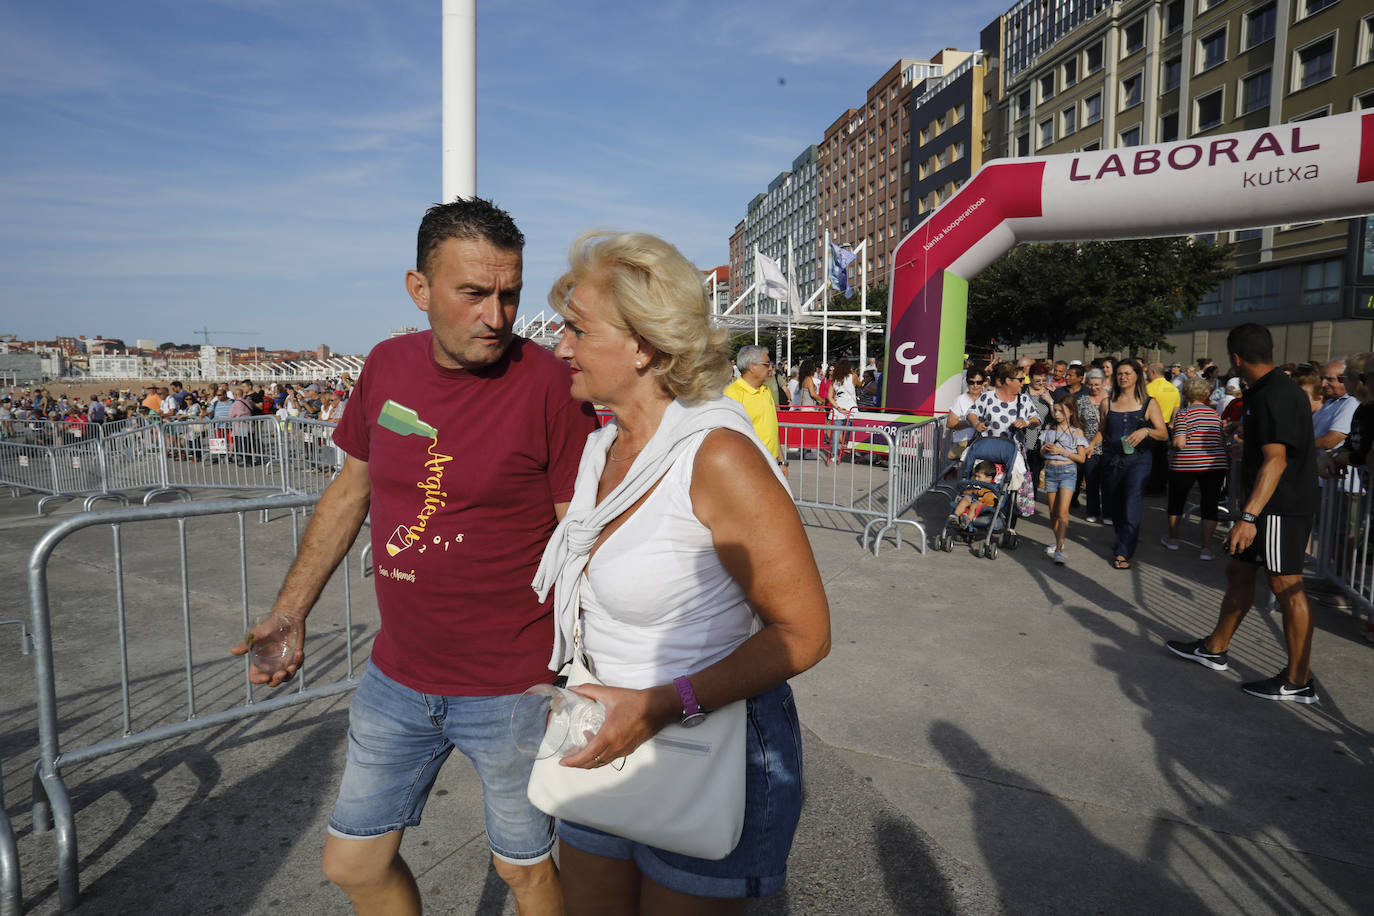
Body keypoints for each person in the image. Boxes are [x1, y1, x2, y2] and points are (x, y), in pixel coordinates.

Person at [229, 197, 597, 915]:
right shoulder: (387, 367)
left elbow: (579, 537)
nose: (497, 316)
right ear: (419, 289)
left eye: (509, 294)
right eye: (474, 293)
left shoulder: (551, 386)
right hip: (398, 680)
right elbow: (349, 493)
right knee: (352, 864)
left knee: (525, 870)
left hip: (514, 687)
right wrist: (289, 613)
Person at [537, 230, 830, 913]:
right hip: (598, 727)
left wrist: (660, 707)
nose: (560, 348)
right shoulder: (602, 447)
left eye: (577, 330)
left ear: (644, 344)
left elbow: (805, 633)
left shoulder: (717, 456)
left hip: (710, 746)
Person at [1167, 324, 1320, 703]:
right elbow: (1274, 448)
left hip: (1281, 507)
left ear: (1236, 359)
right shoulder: (1266, 390)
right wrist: (1244, 446)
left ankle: (1299, 680)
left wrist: (1248, 518)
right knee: (1238, 570)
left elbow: (1277, 461)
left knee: (1287, 586)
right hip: (1265, 502)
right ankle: (1215, 648)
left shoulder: (1276, 394)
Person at [1100, 358, 1167, 569]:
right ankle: (1123, 538)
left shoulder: (1149, 402)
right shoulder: (1107, 402)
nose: (1123, 377)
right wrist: (1089, 446)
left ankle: (1123, 551)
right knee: (1114, 503)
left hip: (1139, 460)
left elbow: (1164, 434)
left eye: (1128, 373)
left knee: (1132, 500)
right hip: (1112, 459)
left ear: (1137, 376)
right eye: (1120, 373)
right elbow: (1102, 432)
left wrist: (1146, 430)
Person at [1160, 377, 1228, 560]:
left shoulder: (1184, 414)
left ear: (1185, 393)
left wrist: (1171, 446)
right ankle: (1206, 548)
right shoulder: (1215, 415)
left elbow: (1180, 443)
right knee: (1210, 504)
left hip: (1186, 464)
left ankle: (1173, 539)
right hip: (1215, 464)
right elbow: (1220, 440)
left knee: (1177, 501)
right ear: (1206, 394)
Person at [1040, 398, 1089, 564]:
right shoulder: (1049, 429)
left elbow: (1081, 458)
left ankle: (1059, 550)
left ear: (1070, 412)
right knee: (1053, 512)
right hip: (1050, 471)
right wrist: (1044, 449)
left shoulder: (1077, 432)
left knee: (1062, 512)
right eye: (1055, 411)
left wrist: (1062, 451)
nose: (1057, 414)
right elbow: (1042, 453)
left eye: (1061, 411)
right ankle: (1058, 541)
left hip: (1068, 471)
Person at [723, 345, 786, 473]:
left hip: (771, 463)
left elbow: (772, 429)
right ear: (752, 367)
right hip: (747, 466)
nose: (770, 368)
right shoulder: (732, 394)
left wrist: (781, 461)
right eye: (766, 364)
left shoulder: (766, 390)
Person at [1145, 361, 1181, 496]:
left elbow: (1145, 408)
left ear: (1153, 372)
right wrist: (1172, 424)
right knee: (1162, 458)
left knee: (1150, 458)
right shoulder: (1173, 388)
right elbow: (1176, 409)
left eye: (1148, 372)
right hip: (1167, 425)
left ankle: (1152, 486)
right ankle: (1162, 486)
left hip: (1152, 425)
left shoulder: (1150, 388)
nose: (1147, 374)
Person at [944, 367, 987, 465]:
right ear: (967, 382)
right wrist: (972, 423)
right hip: (964, 444)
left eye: (979, 382)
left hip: (985, 443)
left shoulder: (988, 399)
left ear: (984, 383)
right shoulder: (960, 400)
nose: (975, 386)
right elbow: (950, 424)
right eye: (971, 382)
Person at [1314, 358, 1358, 450]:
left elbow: (1330, 441)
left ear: (1344, 379)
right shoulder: (1331, 401)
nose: (1323, 384)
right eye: (1322, 379)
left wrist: (1298, 444)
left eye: (1330, 379)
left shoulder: (1351, 402)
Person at [824, 358, 860, 464]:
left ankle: (834, 455)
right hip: (851, 408)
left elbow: (829, 397)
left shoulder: (834, 379)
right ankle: (852, 452)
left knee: (836, 432)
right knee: (852, 432)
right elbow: (860, 384)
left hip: (838, 408)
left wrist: (838, 407)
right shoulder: (852, 376)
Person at [951, 460, 1000, 528]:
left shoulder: (993, 486)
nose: (976, 478)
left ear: (989, 478)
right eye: (976, 476)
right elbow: (964, 492)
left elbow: (993, 498)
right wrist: (972, 491)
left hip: (982, 502)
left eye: (979, 477)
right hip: (971, 498)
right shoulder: (974, 484)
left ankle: (967, 520)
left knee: (974, 505)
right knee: (965, 500)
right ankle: (955, 516)